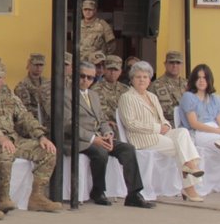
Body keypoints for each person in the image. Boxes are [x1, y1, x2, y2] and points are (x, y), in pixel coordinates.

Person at [0, 58, 60, 214]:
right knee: (5, 152)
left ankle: (36, 197)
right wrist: (1, 137)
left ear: (3, 79)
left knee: (48, 152)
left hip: (13, 139)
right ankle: (3, 198)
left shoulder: (7, 93)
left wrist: (40, 136)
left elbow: (24, 116)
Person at [62, 62, 153, 208]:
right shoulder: (65, 94)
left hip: (98, 137)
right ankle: (98, 191)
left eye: (90, 78)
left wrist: (108, 133)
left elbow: (102, 119)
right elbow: (67, 124)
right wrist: (93, 138)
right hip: (77, 139)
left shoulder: (93, 95)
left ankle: (134, 194)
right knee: (100, 151)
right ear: (75, 75)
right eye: (82, 76)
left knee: (127, 149)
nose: (86, 80)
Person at [118, 60, 204, 202]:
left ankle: (190, 167)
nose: (142, 80)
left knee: (182, 132)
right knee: (180, 148)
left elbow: (162, 118)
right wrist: (158, 128)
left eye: (145, 77)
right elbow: (130, 123)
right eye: (138, 77)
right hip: (142, 137)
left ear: (149, 79)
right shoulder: (126, 97)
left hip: (159, 134)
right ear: (132, 79)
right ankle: (190, 182)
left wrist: (166, 126)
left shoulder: (152, 96)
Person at [179, 63, 220, 156]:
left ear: (209, 80)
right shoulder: (188, 97)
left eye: (205, 78)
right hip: (200, 132)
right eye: (198, 78)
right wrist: (217, 131)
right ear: (194, 80)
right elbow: (194, 124)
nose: (201, 81)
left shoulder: (214, 99)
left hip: (216, 130)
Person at [13, 53, 52, 126]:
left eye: (41, 65)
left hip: (49, 123)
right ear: (29, 65)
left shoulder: (48, 83)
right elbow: (23, 110)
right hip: (32, 123)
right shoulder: (22, 86)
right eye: (35, 65)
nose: (38, 68)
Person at [149, 51, 186, 123]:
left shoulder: (188, 84)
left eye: (178, 63)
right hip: (167, 125)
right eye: (171, 62)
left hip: (187, 123)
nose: (175, 65)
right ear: (165, 64)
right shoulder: (156, 85)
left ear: (182, 65)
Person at [91, 55, 129, 122]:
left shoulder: (126, 89)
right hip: (107, 126)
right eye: (110, 69)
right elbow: (101, 112)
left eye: (115, 70)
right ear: (104, 70)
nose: (112, 73)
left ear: (120, 71)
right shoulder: (96, 89)